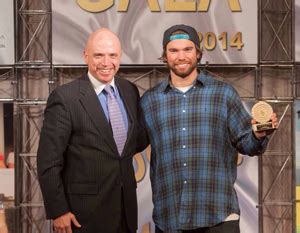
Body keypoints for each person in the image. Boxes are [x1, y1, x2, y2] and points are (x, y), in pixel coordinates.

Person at [140, 24, 278, 233]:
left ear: (198, 53)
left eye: (187, 49)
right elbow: (130, 144)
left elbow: (248, 145)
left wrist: (258, 134)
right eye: (174, 50)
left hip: (218, 217)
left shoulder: (223, 94)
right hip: (170, 220)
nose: (181, 56)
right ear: (165, 56)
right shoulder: (150, 101)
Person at [37, 28, 148, 233]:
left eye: (112, 55)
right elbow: (48, 161)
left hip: (126, 211)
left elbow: (133, 143)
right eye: (99, 55)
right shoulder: (65, 98)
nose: (106, 63)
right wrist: (58, 210)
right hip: (84, 216)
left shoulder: (129, 91)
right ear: (86, 55)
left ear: (120, 56)